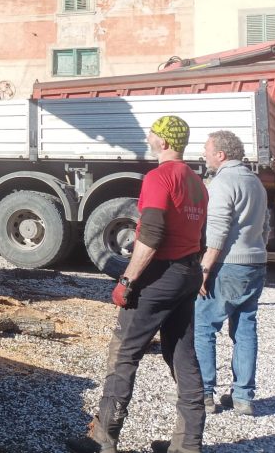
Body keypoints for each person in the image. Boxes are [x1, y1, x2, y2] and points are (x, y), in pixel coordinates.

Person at [67, 115, 209, 453]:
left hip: (160, 275)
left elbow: (152, 234)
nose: (148, 136)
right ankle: (188, 446)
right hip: (187, 272)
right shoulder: (197, 183)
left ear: (164, 141)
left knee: (124, 353)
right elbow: (199, 235)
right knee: (183, 356)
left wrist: (128, 279)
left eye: (153, 133)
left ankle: (102, 440)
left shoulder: (159, 177)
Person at [194, 130, 269, 416]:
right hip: (256, 263)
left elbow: (218, 230)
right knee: (246, 328)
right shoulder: (256, 182)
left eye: (207, 150)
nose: (205, 155)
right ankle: (243, 398)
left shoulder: (223, 182)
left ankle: (203, 394)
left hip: (229, 264)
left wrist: (204, 269)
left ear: (221, 155)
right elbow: (266, 226)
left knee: (204, 326)